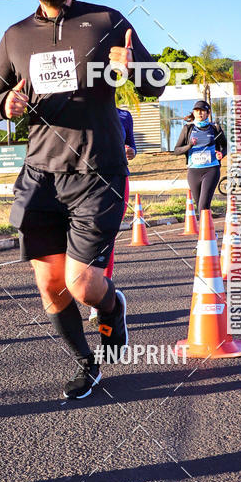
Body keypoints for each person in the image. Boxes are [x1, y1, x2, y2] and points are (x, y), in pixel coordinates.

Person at [0, 0, 164, 400]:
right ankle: (88, 363)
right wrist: (6, 108)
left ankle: (111, 309)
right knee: (50, 286)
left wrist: (138, 70)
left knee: (82, 285)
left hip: (98, 172)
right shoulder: (15, 35)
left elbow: (156, 84)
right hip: (41, 175)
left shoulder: (107, 21)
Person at [89, 107, 136, 322]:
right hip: (85, 182)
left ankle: (99, 299)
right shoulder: (79, 109)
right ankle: (82, 289)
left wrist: (130, 152)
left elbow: (132, 149)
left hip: (117, 179)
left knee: (106, 238)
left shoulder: (124, 116)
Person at [173, 100, 227, 212]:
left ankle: (206, 229)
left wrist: (222, 154)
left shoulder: (215, 128)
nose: (199, 113)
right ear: (193, 113)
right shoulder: (188, 129)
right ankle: (207, 228)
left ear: (208, 113)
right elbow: (177, 150)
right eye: (197, 111)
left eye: (202, 111)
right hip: (193, 171)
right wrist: (190, 145)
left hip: (211, 169)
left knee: (203, 205)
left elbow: (226, 146)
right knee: (200, 207)